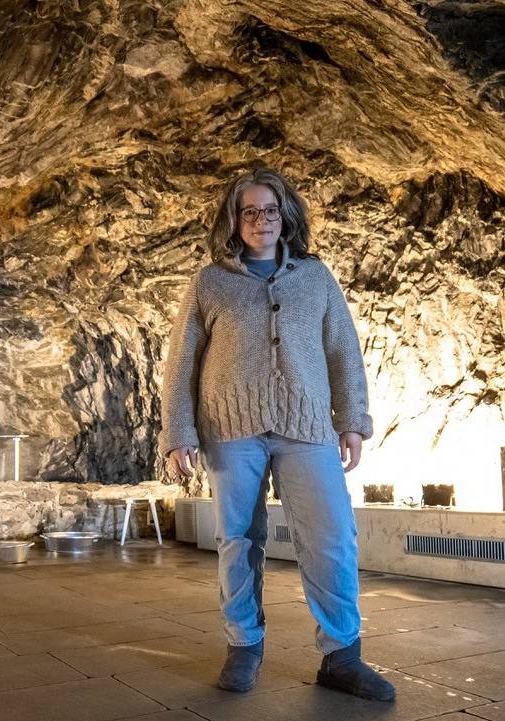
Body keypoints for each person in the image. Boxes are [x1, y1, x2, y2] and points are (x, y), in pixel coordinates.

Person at [159, 167, 395, 702]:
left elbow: (343, 352)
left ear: (285, 215)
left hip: (307, 426)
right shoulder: (209, 282)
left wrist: (352, 420)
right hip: (229, 428)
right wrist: (178, 433)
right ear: (234, 219)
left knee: (332, 538)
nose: (261, 220)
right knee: (238, 540)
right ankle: (244, 644)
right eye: (250, 212)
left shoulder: (316, 278)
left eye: (270, 210)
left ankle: (342, 654)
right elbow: (181, 364)